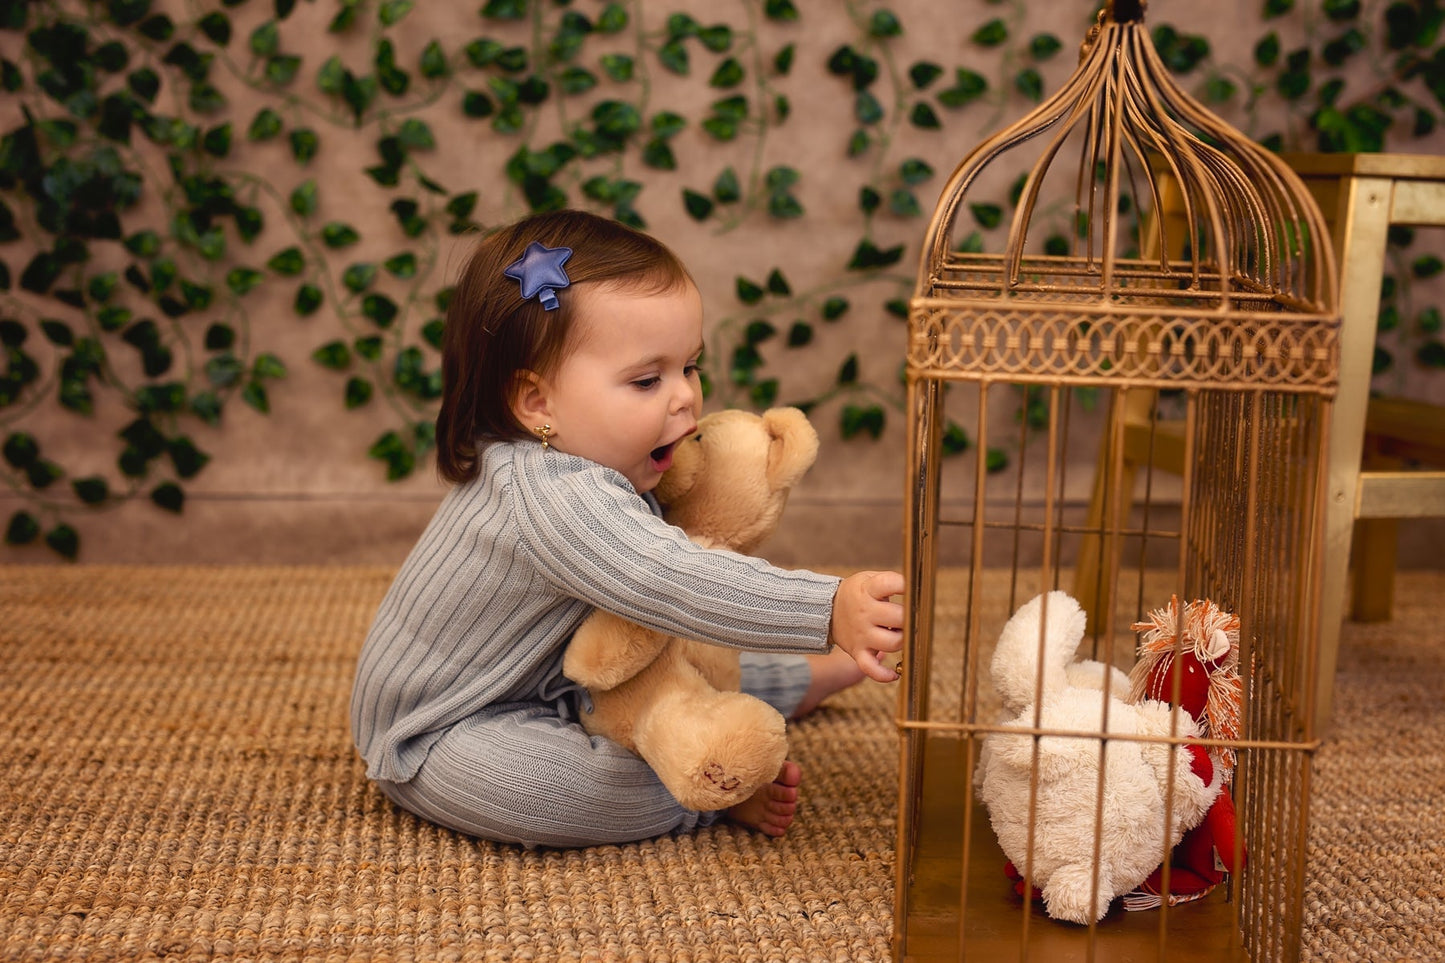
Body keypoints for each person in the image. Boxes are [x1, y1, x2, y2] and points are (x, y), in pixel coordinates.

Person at [350, 209, 905, 849]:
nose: (686, 397)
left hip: (561, 678)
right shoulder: (554, 496)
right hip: (445, 727)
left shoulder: (599, 462)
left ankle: (798, 681)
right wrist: (825, 607)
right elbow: (677, 581)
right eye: (646, 380)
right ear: (537, 403)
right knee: (546, 788)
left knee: (678, 660)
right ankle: (708, 793)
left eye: (690, 367)